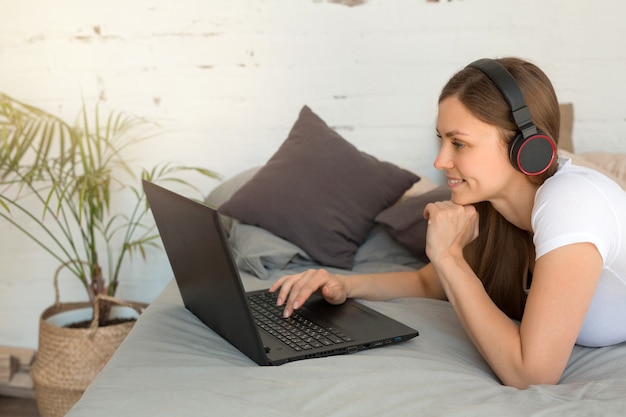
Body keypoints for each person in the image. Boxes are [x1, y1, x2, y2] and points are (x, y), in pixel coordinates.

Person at [269, 57, 626, 389]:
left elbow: (531, 373)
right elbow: (428, 283)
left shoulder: (572, 201)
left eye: (459, 143)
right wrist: (344, 285)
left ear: (525, 147)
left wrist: (449, 258)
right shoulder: (492, 209)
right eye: (442, 140)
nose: (440, 161)